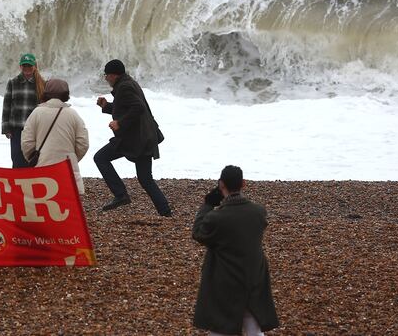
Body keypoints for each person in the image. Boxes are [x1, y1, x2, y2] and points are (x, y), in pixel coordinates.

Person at [191, 165, 279, 336]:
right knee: (253, 326)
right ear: (243, 183)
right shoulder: (259, 212)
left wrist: (207, 204)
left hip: (225, 278)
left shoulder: (216, 217)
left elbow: (198, 233)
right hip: (254, 275)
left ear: (221, 184)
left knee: (221, 327)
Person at [94, 59, 171, 216]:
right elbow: (126, 107)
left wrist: (119, 123)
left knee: (100, 157)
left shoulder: (125, 87)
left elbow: (138, 108)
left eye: (106, 75)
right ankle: (165, 212)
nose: (106, 78)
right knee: (145, 179)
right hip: (142, 138)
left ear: (113, 75)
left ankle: (121, 195)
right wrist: (106, 106)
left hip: (135, 140)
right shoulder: (127, 83)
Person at [21, 79, 89, 194]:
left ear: (45, 93)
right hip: (68, 168)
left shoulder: (37, 113)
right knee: (68, 204)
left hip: (43, 166)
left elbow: (26, 142)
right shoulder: (73, 114)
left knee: (45, 204)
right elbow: (83, 142)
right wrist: (73, 157)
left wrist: (33, 157)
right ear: (66, 95)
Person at [1, 53, 46, 168]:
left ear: (35, 66)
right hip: (16, 129)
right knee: (16, 158)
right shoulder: (13, 82)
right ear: (20, 67)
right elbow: (6, 106)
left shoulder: (42, 83)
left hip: (34, 129)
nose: (27, 69)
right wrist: (6, 128)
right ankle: (16, 183)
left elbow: (46, 108)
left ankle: (31, 183)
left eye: (29, 66)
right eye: (24, 66)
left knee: (33, 159)